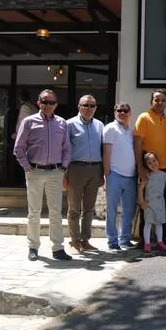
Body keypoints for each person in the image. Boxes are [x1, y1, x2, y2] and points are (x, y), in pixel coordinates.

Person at [13, 89, 72, 261]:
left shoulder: (62, 123)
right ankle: (33, 247)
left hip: (55, 172)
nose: (47, 105)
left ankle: (58, 248)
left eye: (51, 102)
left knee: (56, 212)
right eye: (44, 101)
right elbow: (19, 148)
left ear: (56, 105)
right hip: (35, 171)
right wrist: (26, 166)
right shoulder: (29, 122)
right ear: (38, 103)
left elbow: (67, 148)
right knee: (34, 212)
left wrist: (64, 167)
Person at [134, 89, 166, 244]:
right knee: (146, 204)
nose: (160, 102)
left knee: (164, 203)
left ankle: (162, 238)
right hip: (149, 169)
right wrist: (140, 166)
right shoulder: (144, 117)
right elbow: (137, 143)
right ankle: (144, 239)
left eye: (163, 100)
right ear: (151, 101)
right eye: (157, 99)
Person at [65, 95, 104, 253]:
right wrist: (64, 174)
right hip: (76, 169)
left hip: (95, 169)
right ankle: (74, 242)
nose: (89, 108)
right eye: (86, 105)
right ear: (79, 107)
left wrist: (102, 173)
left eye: (92, 106)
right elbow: (64, 149)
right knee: (74, 208)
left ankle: (85, 241)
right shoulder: (69, 124)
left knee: (89, 208)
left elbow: (102, 149)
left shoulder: (99, 125)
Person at [103, 102, 137, 252]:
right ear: (115, 112)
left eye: (125, 110)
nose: (122, 113)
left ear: (130, 113)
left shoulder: (131, 130)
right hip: (115, 175)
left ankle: (125, 239)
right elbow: (106, 152)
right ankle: (112, 241)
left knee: (129, 210)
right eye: (119, 110)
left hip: (131, 176)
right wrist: (107, 173)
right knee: (112, 210)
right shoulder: (110, 128)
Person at [138, 152, 166, 253]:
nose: (153, 164)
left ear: (158, 161)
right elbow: (140, 189)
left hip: (160, 203)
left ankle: (160, 242)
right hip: (149, 204)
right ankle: (147, 243)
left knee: (159, 223)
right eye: (149, 163)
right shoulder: (147, 176)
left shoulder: (164, 175)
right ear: (146, 165)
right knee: (148, 223)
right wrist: (142, 201)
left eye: (154, 161)